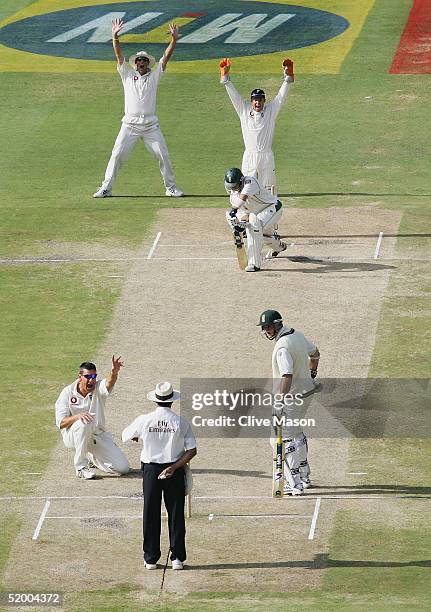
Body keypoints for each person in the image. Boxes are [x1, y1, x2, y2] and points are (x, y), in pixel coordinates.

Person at [93, 18, 184, 198]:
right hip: (129, 124)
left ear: (148, 63)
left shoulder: (155, 75)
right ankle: (106, 188)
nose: (141, 63)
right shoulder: (127, 74)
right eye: (138, 61)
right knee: (117, 155)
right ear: (135, 63)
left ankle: (171, 188)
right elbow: (119, 56)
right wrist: (115, 37)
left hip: (151, 125)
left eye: (144, 61)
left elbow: (165, 58)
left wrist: (173, 40)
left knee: (163, 156)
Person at [122, 382, 197, 570]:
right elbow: (192, 451)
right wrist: (173, 468)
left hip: (151, 470)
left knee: (150, 512)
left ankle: (150, 558)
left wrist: (139, 437)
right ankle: (177, 558)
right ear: (172, 401)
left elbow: (126, 435)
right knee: (176, 514)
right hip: (175, 469)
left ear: (156, 400)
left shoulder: (144, 420)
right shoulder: (181, 422)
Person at [257, 310, 320, 495]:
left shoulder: (282, 347)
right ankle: (304, 474)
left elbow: (287, 375)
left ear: (277, 324)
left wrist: (279, 399)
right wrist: (312, 374)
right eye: (264, 328)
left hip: (292, 397)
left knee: (278, 439)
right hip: (307, 392)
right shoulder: (297, 334)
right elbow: (315, 354)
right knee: (296, 433)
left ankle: (295, 484)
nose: (266, 331)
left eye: (268, 326)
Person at [219, 57, 294, 194]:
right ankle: (244, 213)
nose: (257, 103)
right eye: (255, 100)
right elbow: (234, 96)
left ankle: (270, 211)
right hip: (249, 155)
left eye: (260, 100)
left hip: (266, 156)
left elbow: (281, 96)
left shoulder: (271, 110)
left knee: (269, 190)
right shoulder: (243, 110)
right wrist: (226, 78)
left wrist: (288, 77)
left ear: (264, 101)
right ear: (251, 101)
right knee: (246, 189)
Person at [55, 356, 130, 479]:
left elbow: (109, 382)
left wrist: (114, 372)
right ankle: (80, 467)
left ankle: (92, 458)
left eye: (94, 377)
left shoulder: (98, 387)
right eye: (88, 377)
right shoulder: (67, 393)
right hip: (72, 437)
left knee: (123, 468)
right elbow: (61, 423)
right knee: (84, 422)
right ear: (80, 377)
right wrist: (77, 416)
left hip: (97, 436)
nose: (91, 380)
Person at [224, 167, 287, 272]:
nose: (233, 189)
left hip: (273, 208)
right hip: (256, 215)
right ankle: (279, 246)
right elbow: (244, 214)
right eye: (230, 186)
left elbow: (243, 198)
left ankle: (254, 264)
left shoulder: (250, 182)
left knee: (253, 229)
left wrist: (233, 211)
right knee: (258, 233)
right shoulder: (233, 196)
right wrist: (240, 224)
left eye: (234, 186)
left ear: (241, 181)